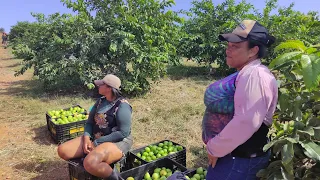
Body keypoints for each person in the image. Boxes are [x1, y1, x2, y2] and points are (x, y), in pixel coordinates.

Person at [203, 20, 278, 180]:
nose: (228, 50)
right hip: (233, 155)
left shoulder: (255, 75)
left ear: (253, 51)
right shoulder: (248, 72)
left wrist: (215, 148)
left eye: (235, 47)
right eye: (228, 46)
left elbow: (246, 122)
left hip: (238, 160)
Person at [57, 74, 133, 180]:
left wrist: (97, 143)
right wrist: (86, 138)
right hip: (96, 137)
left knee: (90, 163)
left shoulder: (122, 106)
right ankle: (95, 164)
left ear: (109, 88)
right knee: (63, 150)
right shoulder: (100, 101)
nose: (98, 86)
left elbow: (122, 133)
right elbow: (89, 123)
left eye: (101, 85)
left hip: (117, 141)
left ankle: (114, 177)